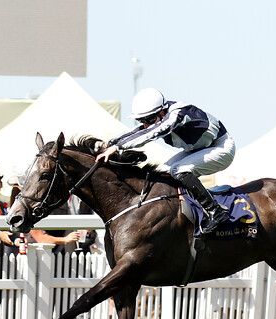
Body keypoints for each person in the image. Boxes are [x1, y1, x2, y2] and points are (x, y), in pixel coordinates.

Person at [97, 88, 234, 235]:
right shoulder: (159, 116)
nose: (145, 124)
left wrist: (118, 147)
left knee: (178, 170)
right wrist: (110, 143)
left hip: (221, 147)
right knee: (160, 173)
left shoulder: (176, 115)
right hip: (199, 149)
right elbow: (139, 130)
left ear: (162, 112)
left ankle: (215, 211)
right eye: (141, 120)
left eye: (148, 120)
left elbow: (151, 133)